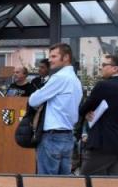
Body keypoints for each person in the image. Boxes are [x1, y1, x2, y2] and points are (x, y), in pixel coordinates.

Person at [28, 43, 82, 175]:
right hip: (68, 135)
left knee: (47, 184)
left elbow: (33, 100)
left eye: (54, 56)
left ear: (66, 57)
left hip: (52, 136)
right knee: (62, 185)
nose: (50, 59)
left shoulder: (59, 77)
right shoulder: (75, 80)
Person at [79, 55, 118, 175]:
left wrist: (86, 113)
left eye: (104, 65)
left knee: (85, 181)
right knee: (114, 186)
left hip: (103, 144)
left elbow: (84, 108)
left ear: (115, 68)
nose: (101, 68)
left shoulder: (104, 85)